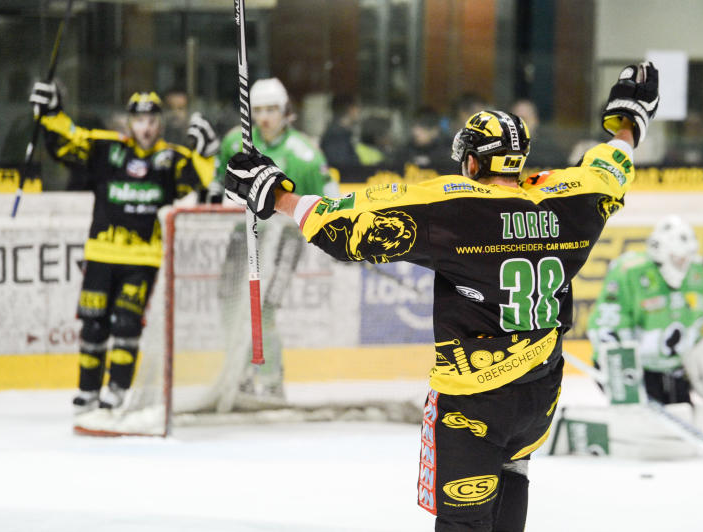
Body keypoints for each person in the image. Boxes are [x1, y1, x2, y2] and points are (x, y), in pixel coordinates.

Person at [222, 62, 658, 530]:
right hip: (539, 392)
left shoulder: (455, 207)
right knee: (514, 468)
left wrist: (276, 194)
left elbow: (345, 228)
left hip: (474, 401)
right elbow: (612, 166)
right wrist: (628, 122)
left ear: (472, 162)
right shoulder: (574, 198)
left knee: (463, 522)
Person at [28, 82, 218, 412]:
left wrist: (206, 153)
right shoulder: (107, 149)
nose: (146, 127)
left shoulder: (170, 158)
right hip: (101, 253)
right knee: (93, 324)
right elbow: (68, 141)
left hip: (142, 258)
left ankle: (117, 388)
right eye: (140, 120)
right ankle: (88, 390)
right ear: (129, 122)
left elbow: (196, 179)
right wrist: (51, 113)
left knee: (127, 324)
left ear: (160, 123)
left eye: (152, 120)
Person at [210, 77, 336, 400]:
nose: (265, 117)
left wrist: (339, 237)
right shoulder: (235, 143)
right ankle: (239, 373)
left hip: (284, 242)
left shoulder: (305, 154)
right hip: (242, 237)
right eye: (259, 110)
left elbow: (328, 200)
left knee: (263, 310)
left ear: (285, 111)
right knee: (230, 302)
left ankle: (270, 381)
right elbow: (216, 186)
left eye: (271, 110)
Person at [586, 215, 703, 406]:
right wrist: (621, 373)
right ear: (660, 253)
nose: (683, 264)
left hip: (674, 371)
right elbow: (606, 324)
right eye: (678, 258)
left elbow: (698, 322)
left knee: (681, 418)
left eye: (686, 259)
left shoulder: (695, 271)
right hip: (636, 371)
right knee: (646, 424)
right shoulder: (630, 271)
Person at [320, 93, 362, 170]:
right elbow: (343, 167)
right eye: (357, 107)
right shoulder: (336, 137)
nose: (359, 111)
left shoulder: (340, 135)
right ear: (350, 109)